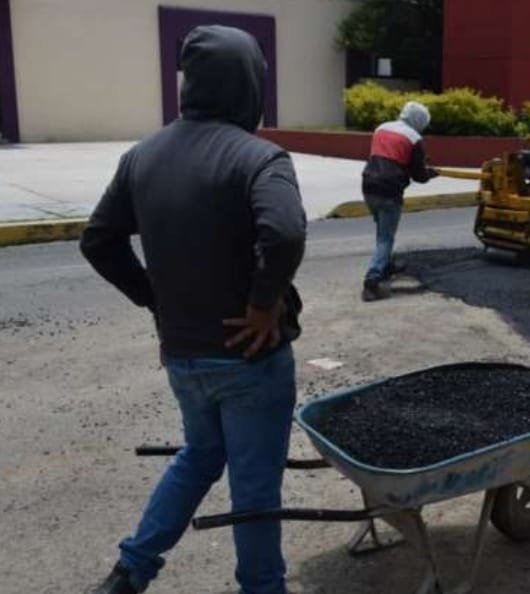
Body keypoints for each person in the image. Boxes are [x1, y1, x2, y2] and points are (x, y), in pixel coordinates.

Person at [80, 25, 306, 594]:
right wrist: (263, 304)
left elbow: (99, 241)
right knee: (255, 491)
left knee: (200, 455)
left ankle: (131, 571)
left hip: (183, 354)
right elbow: (283, 233)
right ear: (249, 83)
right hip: (249, 360)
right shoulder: (260, 157)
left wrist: (153, 298)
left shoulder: (142, 156)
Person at [360, 101, 439, 302]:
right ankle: (372, 281)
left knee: (382, 231)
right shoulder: (414, 138)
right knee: (385, 238)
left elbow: (388, 157)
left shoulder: (381, 128)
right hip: (389, 190)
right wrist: (430, 173)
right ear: (419, 121)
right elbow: (419, 176)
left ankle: (386, 265)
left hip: (369, 185)